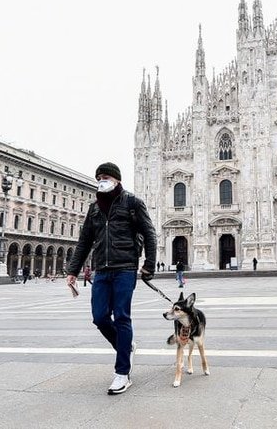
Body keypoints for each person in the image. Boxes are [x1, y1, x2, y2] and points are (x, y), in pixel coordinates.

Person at [66, 162, 157, 396]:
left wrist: (148, 265)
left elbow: (149, 233)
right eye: (98, 178)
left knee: (122, 316)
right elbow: (85, 240)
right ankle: (125, 347)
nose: (101, 181)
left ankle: (122, 373)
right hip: (102, 269)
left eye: (105, 177)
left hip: (125, 267)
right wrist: (73, 270)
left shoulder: (132, 202)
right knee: (99, 317)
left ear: (116, 179)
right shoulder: (94, 208)